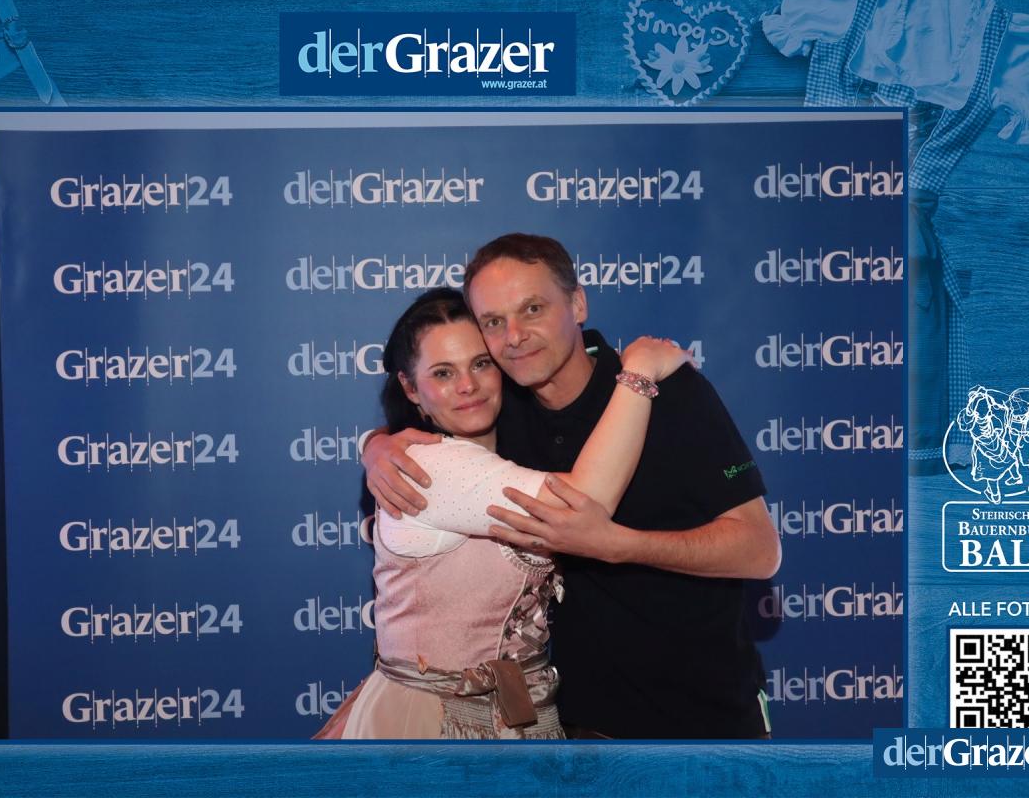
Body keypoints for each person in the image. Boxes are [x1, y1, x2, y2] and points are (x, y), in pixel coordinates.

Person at [363, 233, 781, 739]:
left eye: (533, 309)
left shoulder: (665, 390)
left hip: (704, 714)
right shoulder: (500, 406)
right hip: (579, 724)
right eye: (493, 322)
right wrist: (376, 445)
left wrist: (622, 545)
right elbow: (442, 433)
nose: (514, 336)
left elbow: (759, 551)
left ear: (578, 304)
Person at [317, 287, 693, 739]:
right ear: (410, 388)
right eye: (443, 373)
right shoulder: (434, 466)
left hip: (520, 714)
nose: (468, 386)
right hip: (436, 727)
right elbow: (585, 501)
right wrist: (640, 372)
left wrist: (374, 443)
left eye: (481, 364)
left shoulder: (508, 442)